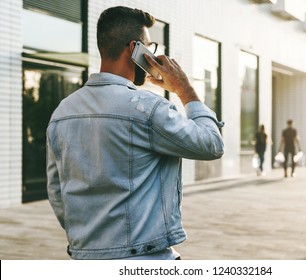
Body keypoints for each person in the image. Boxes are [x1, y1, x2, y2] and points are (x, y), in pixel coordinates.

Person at [46, 6, 224, 260]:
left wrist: (91, 238)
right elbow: (212, 144)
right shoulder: (148, 109)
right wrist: (185, 90)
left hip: (85, 256)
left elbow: (56, 190)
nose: (151, 56)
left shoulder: (61, 113)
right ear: (134, 49)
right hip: (143, 258)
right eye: (149, 49)